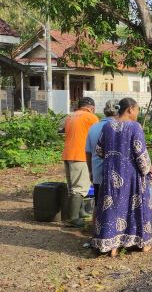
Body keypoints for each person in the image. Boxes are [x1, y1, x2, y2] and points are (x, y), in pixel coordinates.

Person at [92, 98, 152, 257]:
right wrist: (148, 170)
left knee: (112, 206)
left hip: (111, 173)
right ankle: (142, 243)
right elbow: (141, 154)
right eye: (137, 110)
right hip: (131, 175)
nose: (137, 114)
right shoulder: (135, 127)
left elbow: (99, 151)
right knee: (134, 206)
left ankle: (112, 245)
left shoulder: (107, 126)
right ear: (130, 110)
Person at [62, 97, 99, 227]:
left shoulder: (70, 116)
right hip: (80, 156)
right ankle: (72, 219)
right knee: (79, 188)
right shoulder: (90, 117)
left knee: (73, 187)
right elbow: (98, 136)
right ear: (91, 107)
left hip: (67, 155)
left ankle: (80, 212)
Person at [85, 100, 119, 210]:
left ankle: (96, 226)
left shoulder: (93, 128)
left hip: (97, 173)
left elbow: (88, 152)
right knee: (114, 206)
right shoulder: (119, 127)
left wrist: (91, 171)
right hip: (116, 175)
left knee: (99, 205)